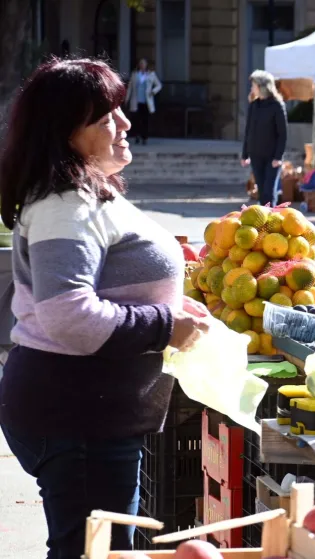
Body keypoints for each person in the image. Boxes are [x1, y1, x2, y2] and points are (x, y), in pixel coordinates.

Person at [0, 58, 210, 558]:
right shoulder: (64, 206)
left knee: (100, 548)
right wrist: (165, 326)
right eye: (105, 117)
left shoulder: (82, 195)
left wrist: (177, 313)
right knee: (93, 553)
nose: (125, 124)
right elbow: (68, 314)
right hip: (77, 413)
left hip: (87, 411)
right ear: (65, 132)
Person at [242, 70, 288, 206]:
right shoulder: (253, 105)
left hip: (272, 157)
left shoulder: (277, 106)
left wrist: (278, 157)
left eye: (254, 85)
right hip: (256, 155)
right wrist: (245, 154)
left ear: (262, 87)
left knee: (269, 192)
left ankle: (270, 222)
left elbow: (283, 134)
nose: (252, 88)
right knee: (262, 192)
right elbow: (248, 131)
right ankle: (263, 222)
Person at [124, 59, 162, 144]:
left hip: (146, 101)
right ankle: (137, 135)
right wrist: (127, 98)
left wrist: (153, 91)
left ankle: (144, 137)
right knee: (137, 119)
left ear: (146, 65)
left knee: (145, 120)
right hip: (136, 101)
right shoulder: (135, 75)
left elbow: (159, 85)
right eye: (141, 64)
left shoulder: (151, 75)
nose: (142, 65)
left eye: (143, 64)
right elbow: (130, 88)